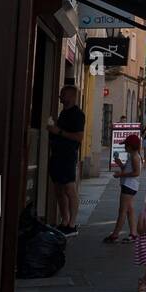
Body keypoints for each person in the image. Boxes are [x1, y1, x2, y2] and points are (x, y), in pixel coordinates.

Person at [47, 85, 85, 236]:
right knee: (59, 189)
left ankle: (72, 225)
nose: (60, 97)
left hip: (68, 156)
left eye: (63, 94)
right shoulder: (63, 113)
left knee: (69, 189)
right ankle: (64, 221)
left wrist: (58, 131)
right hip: (57, 155)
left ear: (71, 96)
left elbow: (79, 137)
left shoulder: (77, 114)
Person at [104, 137, 141, 244]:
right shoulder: (132, 156)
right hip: (129, 186)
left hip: (129, 186)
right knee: (129, 210)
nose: (124, 147)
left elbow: (136, 173)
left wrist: (120, 174)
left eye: (125, 145)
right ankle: (133, 234)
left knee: (122, 211)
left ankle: (115, 235)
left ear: (130, 146)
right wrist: (120, 163)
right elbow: (128, 169)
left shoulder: (135, 157)